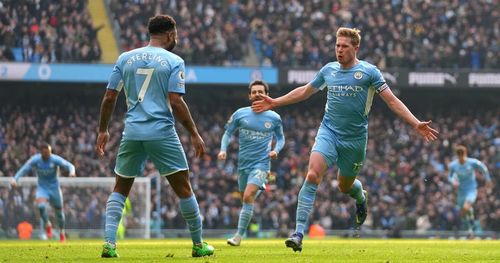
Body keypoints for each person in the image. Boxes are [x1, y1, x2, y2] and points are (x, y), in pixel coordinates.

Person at [252, 27, 439, 252]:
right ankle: (299, 233)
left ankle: (361, 197)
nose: (339, 50)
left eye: (344, 46)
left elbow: (391, 101)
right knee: (312, 174)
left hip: (355, 139)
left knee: (344, 186)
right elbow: (305, 91)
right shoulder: (328, 70)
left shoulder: (369, 72)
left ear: (355, 48)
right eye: (337, 45)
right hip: (328, 132)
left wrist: (415, 122)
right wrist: (275, 102)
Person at [95, 15, 214, 258]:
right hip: (161, 131)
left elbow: (109, 97)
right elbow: (176, 101)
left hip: (133, 132)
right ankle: (198, 245)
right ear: (170, 34)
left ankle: (109, 244)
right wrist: (194, 133)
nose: (177, 39)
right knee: (183, 187)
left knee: (120, 188)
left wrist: (103, 130)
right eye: (176, 35)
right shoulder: (174, 60)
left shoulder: (125, 58)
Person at [218, 80, 285, 246]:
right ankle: (262, 185)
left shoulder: (274, 117)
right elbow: (227, 133)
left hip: (261, 164)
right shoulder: (240, 114)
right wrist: (223, 149)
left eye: (260, 91)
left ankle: (238, 236)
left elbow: (281, 138)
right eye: (254, 92)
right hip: (243, 166)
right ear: (249, 95)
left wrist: (276, 151)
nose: (257, 94)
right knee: (246, 199)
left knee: (248, 196)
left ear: (267, 95)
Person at [10, 143, 76, 242]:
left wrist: (72, 171)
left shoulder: (55, 159)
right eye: (46, 152)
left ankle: (62, 232)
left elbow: (69, 165)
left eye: (49, 152)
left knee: (59, 212)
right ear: (41, 153)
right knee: (41, 206)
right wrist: (15, 179)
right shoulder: (36, 160)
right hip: (42, 188)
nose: (48, 154)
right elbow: (24, 169)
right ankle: (47, 224)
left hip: (54, 188)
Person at [447, 145, 492, 236]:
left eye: (462, 156)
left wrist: (488, 179)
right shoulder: (453, 165)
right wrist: (453, 182)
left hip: (471, 189)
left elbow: (483, 168)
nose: (461, 158)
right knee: (465, 212)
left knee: (465, 207)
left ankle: (471, 229)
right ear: (457, 156)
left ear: (465, 154)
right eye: (459, 156)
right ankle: (470, 230)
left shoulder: (472, 162)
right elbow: (450, 177)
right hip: (460, 191)